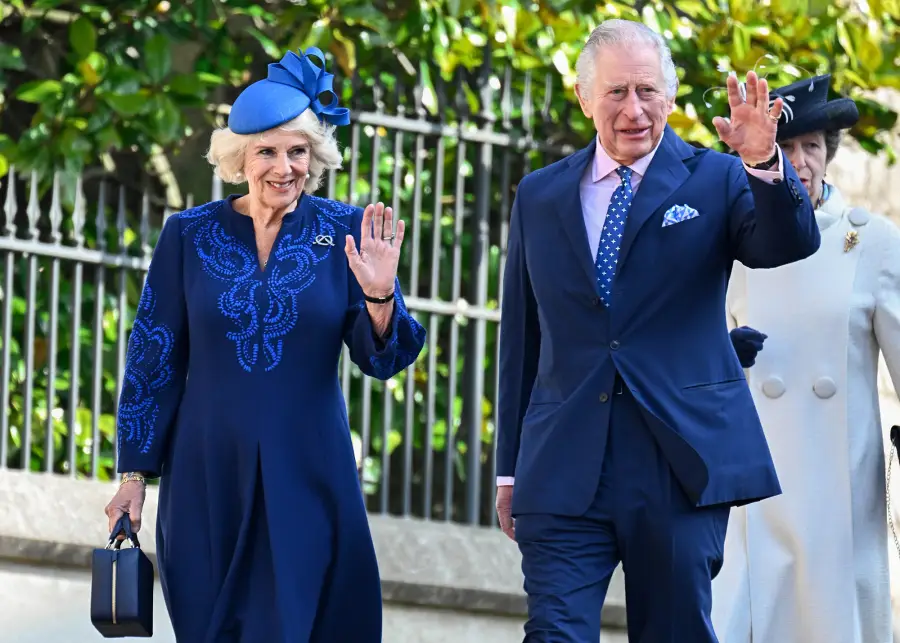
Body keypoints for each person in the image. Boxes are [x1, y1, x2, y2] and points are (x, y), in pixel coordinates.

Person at [495, 19, 821, 642]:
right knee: (554, 633)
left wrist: (762, 161)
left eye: (647, 91)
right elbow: (523, 336)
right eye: (616, 93)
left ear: (669, 98)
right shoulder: (539, 195)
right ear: (585, 98)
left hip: (679, 460)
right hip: (564, 462)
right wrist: (509, 469)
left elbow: (787, 243)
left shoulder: (717, 179)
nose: (634, 110)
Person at [102, 47, 426, 642]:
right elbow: (153, 354)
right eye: (267, 151)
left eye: (298, 151)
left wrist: (381, 297)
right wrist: (133, 474)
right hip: (205, 475)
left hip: (308, 471)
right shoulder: (188, 234)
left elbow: (383, 357)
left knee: (295, 621)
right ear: (238, 157)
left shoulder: (346, 232)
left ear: (316, 156)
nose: (285, 167)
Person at [712, 73, 900, 643]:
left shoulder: (872, 243)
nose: (799, 161)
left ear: (828, 154)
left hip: (837, 487)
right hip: (746, 479)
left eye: (811, 147)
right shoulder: (727, 238)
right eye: (786, 147)